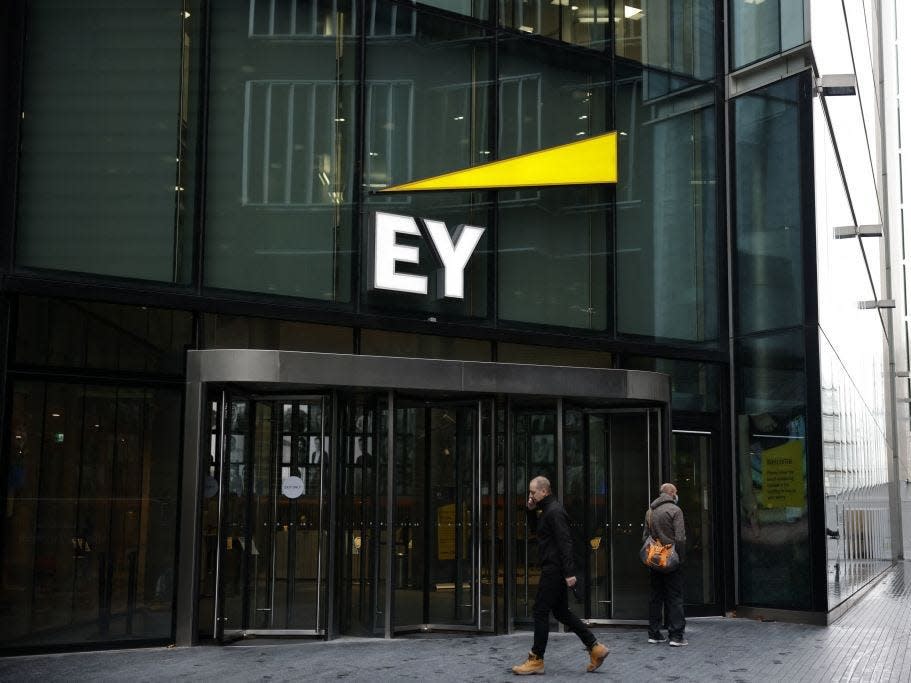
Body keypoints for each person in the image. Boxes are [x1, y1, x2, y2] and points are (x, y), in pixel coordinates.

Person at [512, 476, 609, 675]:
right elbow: (537, 532)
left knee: (540, 611)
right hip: (554, 568)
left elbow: (565, 542)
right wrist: (530, 511)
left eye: (533, 492)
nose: (530, 495)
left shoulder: (554, 511)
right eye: (529, 492)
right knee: (561, 612)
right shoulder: (547, 510)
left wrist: (569, 572)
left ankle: (536, 659)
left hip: (554, 570)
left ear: (544, 491)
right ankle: (595, 647)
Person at [643, 482, 687, 647]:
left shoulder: (650, 511)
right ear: (673, 493)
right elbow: (680, 538)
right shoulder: (675, 510)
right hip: (671, 559)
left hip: (655, 559)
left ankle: (654, 633)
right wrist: (680, 557)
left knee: (655, 597)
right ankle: (676, 635)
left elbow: (645, 537)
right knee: (674, 597)